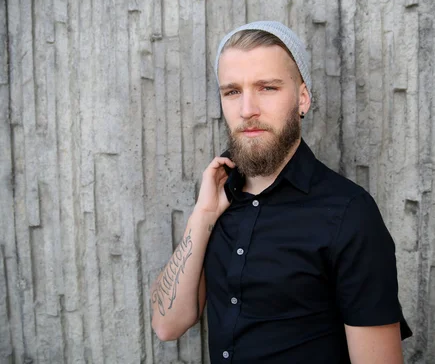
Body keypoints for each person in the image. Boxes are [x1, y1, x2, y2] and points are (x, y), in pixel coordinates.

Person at [150, 21, 412, 363]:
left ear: (302, 98)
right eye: (232, 91)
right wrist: (203, 216)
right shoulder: (217, 201)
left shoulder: (349, 213)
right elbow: (167, 325)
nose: (247, 109)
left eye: (267, 88)